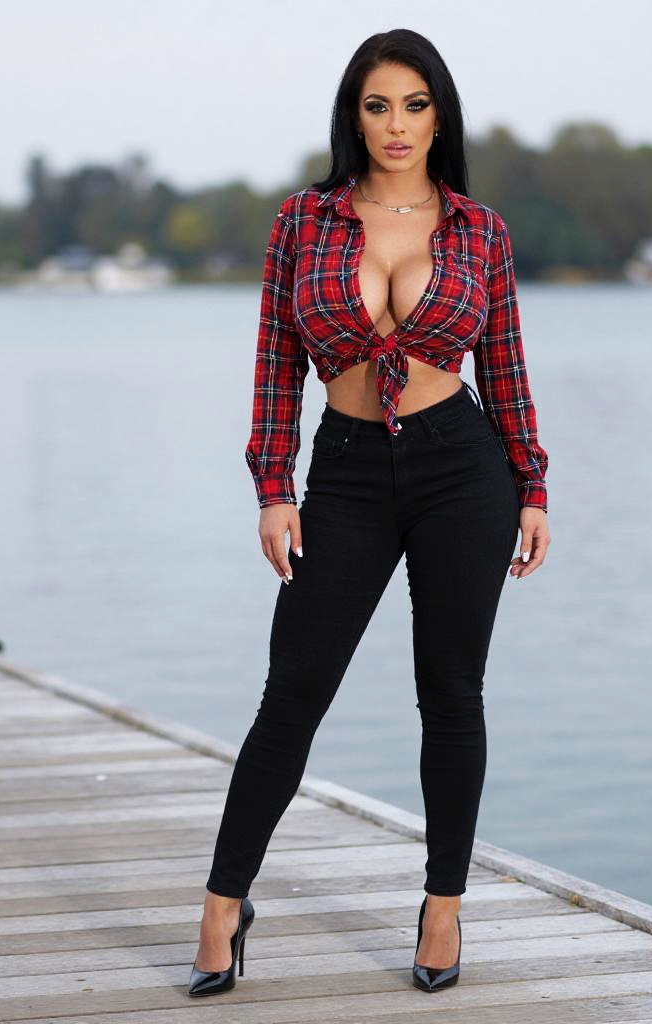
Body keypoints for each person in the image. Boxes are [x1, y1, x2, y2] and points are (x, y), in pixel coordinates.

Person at [188, 27, 551, 996]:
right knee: (294, 686)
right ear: (354, 114)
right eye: (378, 104)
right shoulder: (303, 222)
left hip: (461, 471)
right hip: (343, 473)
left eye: (415, 104)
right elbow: (273, 366)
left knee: (451, 692)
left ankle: (442, 907)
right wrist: (273, 487)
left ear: (441, 115)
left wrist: (533, 485)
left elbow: (506, 369)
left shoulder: (480, 230)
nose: (397, 124)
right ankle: (224, 903)